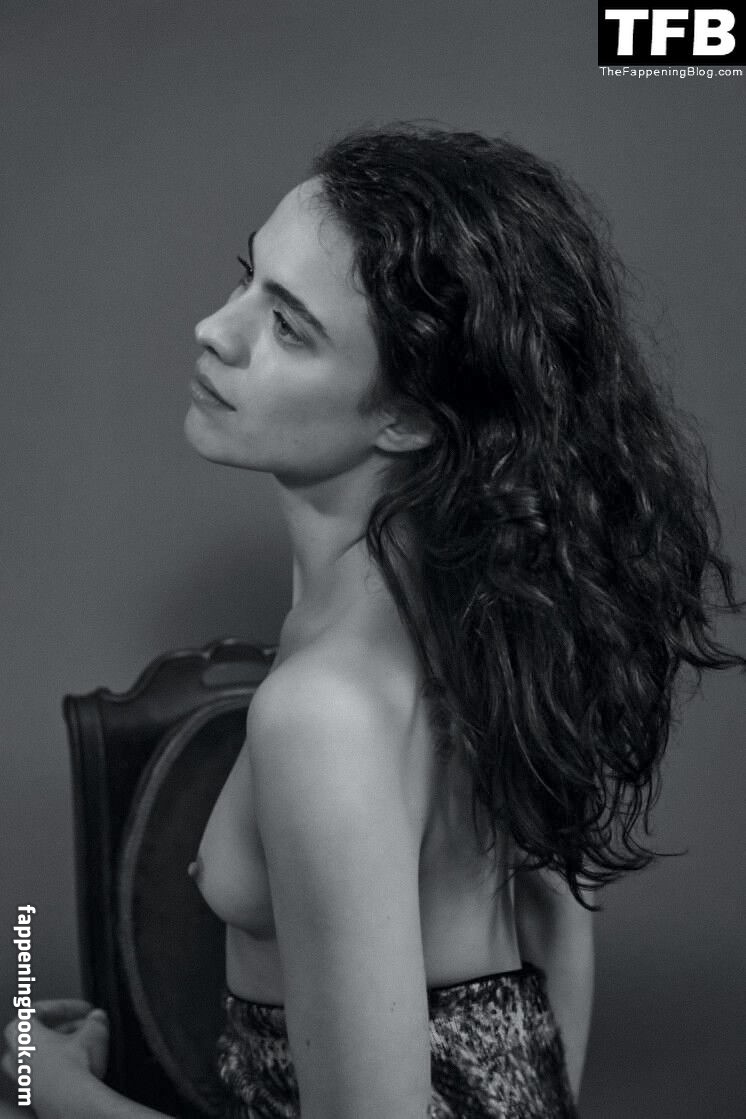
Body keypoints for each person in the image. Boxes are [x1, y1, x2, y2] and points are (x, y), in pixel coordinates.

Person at [2, 125, 743, 1118]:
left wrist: (47, 1089)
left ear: (407, 417)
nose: (215, 330)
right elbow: (556, 920)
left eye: (289, 327)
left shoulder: (324, 712)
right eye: (247, 280)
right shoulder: (495, 625)